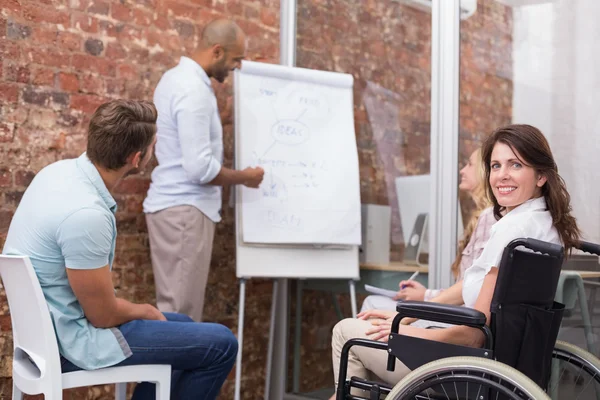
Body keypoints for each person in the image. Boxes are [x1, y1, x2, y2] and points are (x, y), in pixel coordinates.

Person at [2, 100, 238, 400]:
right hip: (69, 344)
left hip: (48, 333)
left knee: (186, 325)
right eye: (154, 146)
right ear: (137, 158)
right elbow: (102, 315)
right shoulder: (86, 213)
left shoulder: (56, 173)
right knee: (221, 344)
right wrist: (146, 311)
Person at [329, 124, 580, 398]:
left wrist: (404, 333)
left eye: (515, 165)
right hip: (509, 361)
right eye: (495, 166)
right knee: (379, 329)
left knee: (346, 333)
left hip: (466, 367)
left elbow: (476, 333)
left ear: (541, 175)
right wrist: (408, 317)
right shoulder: (545, 225)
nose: (501, 176)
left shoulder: (512, 228)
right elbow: (472, 287)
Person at [143, 19, 264, 322]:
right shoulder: (192, 90)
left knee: (178, 312)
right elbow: (199, 168)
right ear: (217, 51)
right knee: (180, 317)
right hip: (184, 211)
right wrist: (244, 179)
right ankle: (172, 373)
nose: (237, 67)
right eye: (236, 59)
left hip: (178, 210)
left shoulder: (177, 79)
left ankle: (172, 372)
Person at [360, 148, 494, 312]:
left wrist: (425, 297)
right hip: (460, 313)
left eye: (470, 164)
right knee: (374, 303)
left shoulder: (489, 217)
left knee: (372, 304)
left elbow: (469, 289)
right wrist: (425, 294)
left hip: (461, 319)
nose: (462, 170)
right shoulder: (483, 218)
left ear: (482, 171)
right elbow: (466, 288)